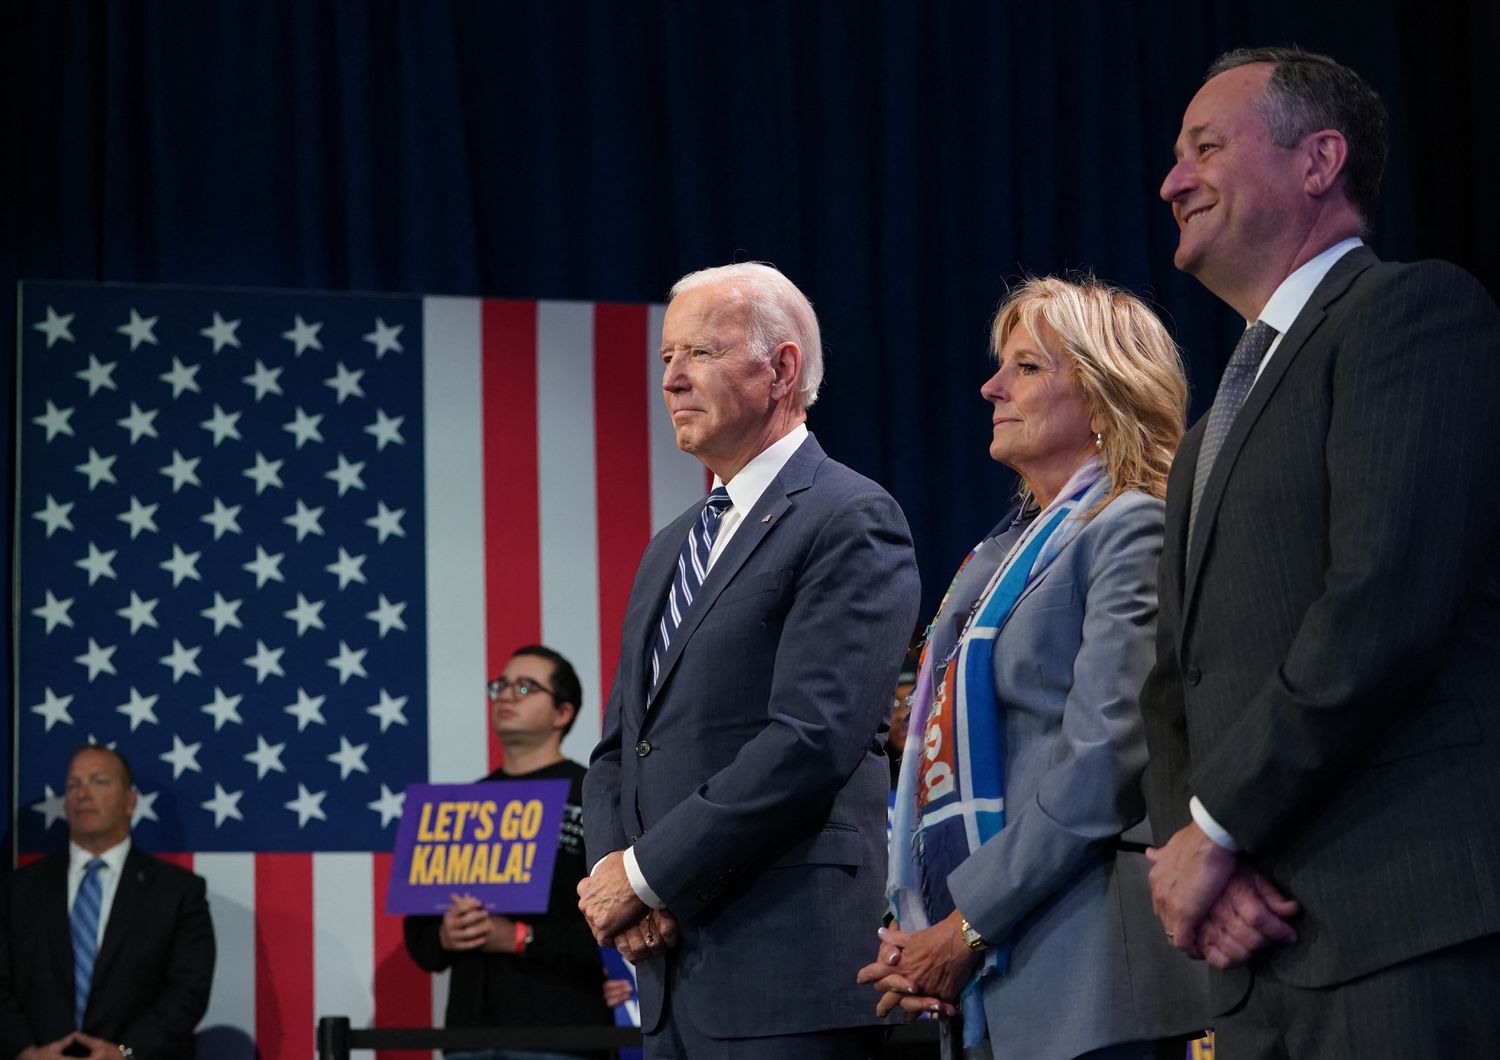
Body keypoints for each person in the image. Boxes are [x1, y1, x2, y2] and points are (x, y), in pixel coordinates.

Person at [1144, 46, 1500, 1054]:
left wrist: (1216, 828)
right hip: (1252, 947)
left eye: (1205, 148)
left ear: (1319, 160)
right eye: (1175, 156)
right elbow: (1173, 684)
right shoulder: (1209, 431)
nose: (1173, 180)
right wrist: (1196, 863)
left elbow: (1382, 602)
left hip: (1401, 923)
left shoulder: (1411, 314)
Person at [577, 262, 920, 1058]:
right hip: (667, 979)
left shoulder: (849, 517)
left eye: (698, 352)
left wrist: (650, 875)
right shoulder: (671, 548)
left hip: (784, 975)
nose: (671, 379)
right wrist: (616, 883)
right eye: (666, 357)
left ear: (782, 368)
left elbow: (810, 741)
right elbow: (618, 750)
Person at [859, 276, 1208, 1059]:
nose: (991, 386)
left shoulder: (1131, 529)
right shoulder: (996, 561)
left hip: (1083, 970)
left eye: (1024, 367)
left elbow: (1104, 764)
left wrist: (967, 923)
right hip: (990, 967)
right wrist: (921, 927)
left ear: (1102, 391)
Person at [404, 645, 611, 1060]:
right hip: (470, 1039)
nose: (505, 696)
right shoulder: (462, 806)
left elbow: (619, 921)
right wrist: (446, 934)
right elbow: (421, 939)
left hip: (564, 1037)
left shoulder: (597, 795)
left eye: (524, 687)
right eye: (500, 686)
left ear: (562, 713)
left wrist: (521, 938)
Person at [0, 745, 215, 1060]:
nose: (82, 794)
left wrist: (126, 1052)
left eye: (98, 781)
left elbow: (187, 992)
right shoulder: (18, 889)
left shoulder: (178, 892)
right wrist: (26, 1052)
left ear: (130, 801)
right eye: (73, 785)